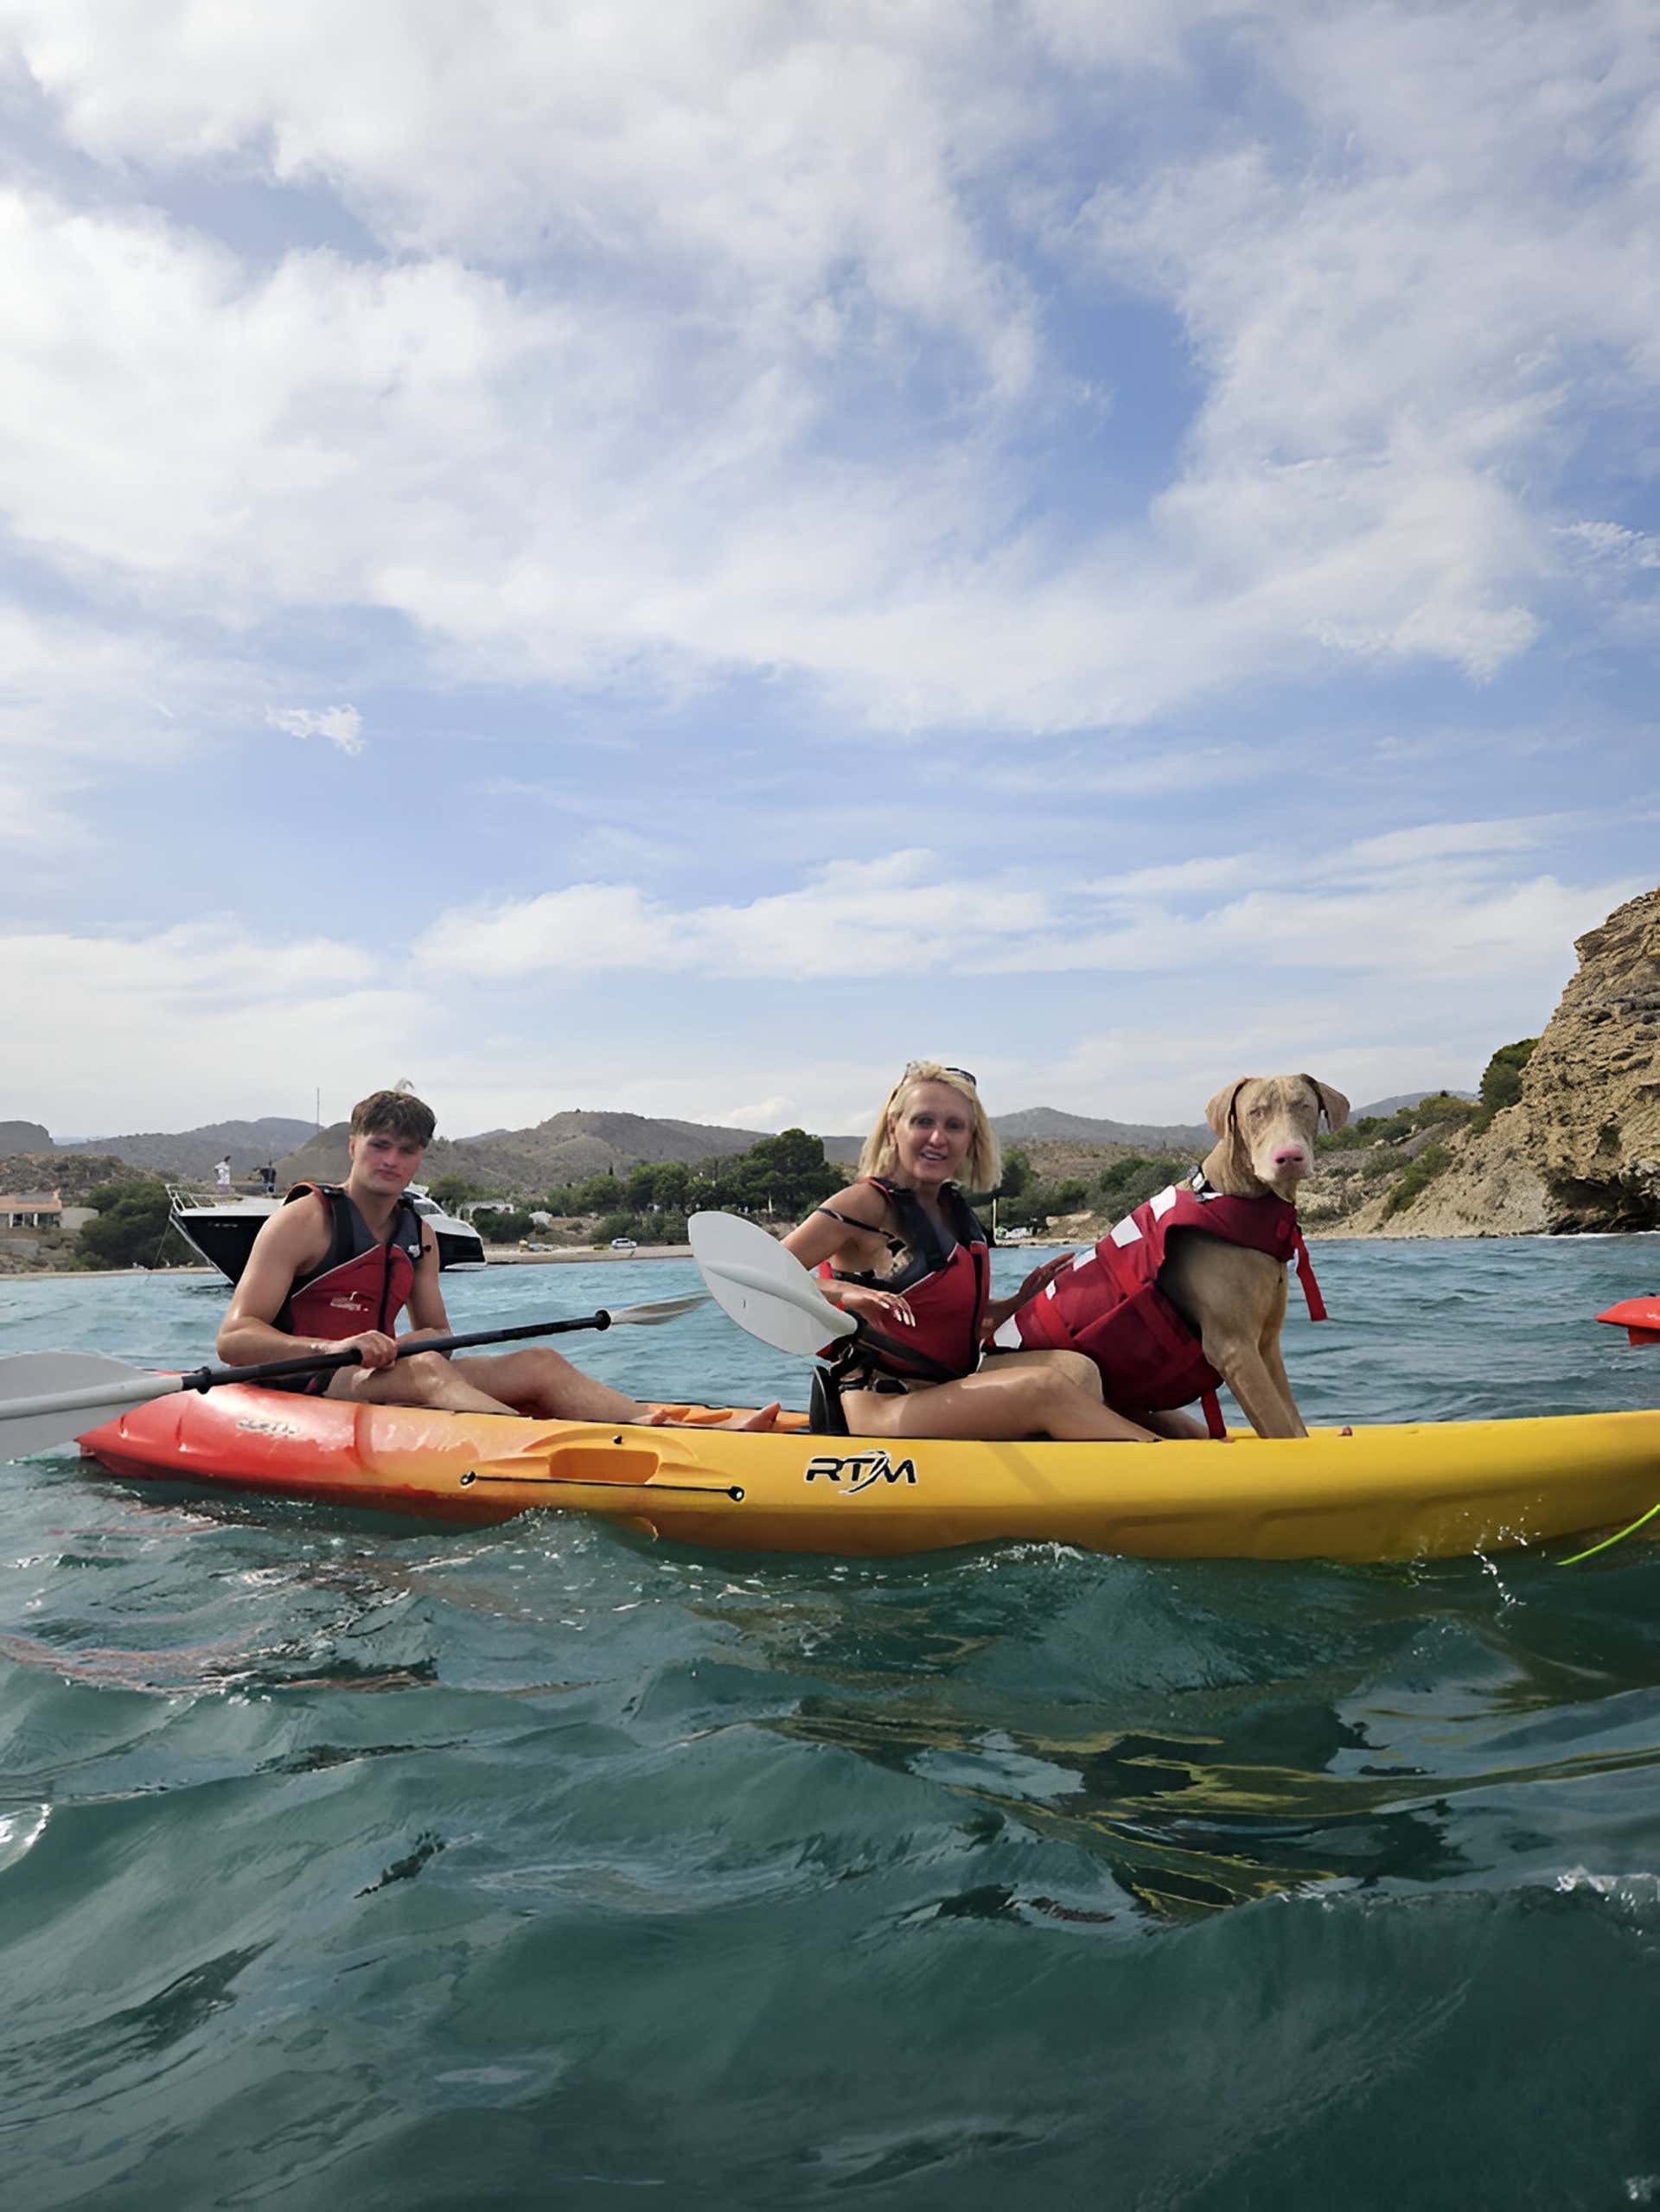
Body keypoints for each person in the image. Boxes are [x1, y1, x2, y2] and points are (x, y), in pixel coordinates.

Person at [218, 1087, 776, 1428]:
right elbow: (235, 1337)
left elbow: (434, 1330)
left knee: (540, 1363)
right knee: (428, 1370)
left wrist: (414, 1341)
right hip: (308, 1381)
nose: (392, 1159)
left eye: (407, 1150)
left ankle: (662, 1429)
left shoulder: (422, 1233)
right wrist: (335, 1346)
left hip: (381, 1375)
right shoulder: (304, 1219)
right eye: (379, 1145)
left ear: (420, 1158)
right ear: (353, 1145)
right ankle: (535, 1440)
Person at [782, 1061, 1165, 1443]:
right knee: (1043, 1388)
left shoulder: (952, 1209)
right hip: (882, 1407)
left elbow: (954, 1325)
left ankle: (1192, 1452)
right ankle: (1161, 1463)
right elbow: (761, 1274)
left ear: (970, 1139)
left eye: (954, 1126)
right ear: (893, 1127)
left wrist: (1019, 1301)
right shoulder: (865, 1203)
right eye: (923, 1121)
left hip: (946, 1387)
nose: (938, 1138)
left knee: (1083, 1370)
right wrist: (844, 1293)